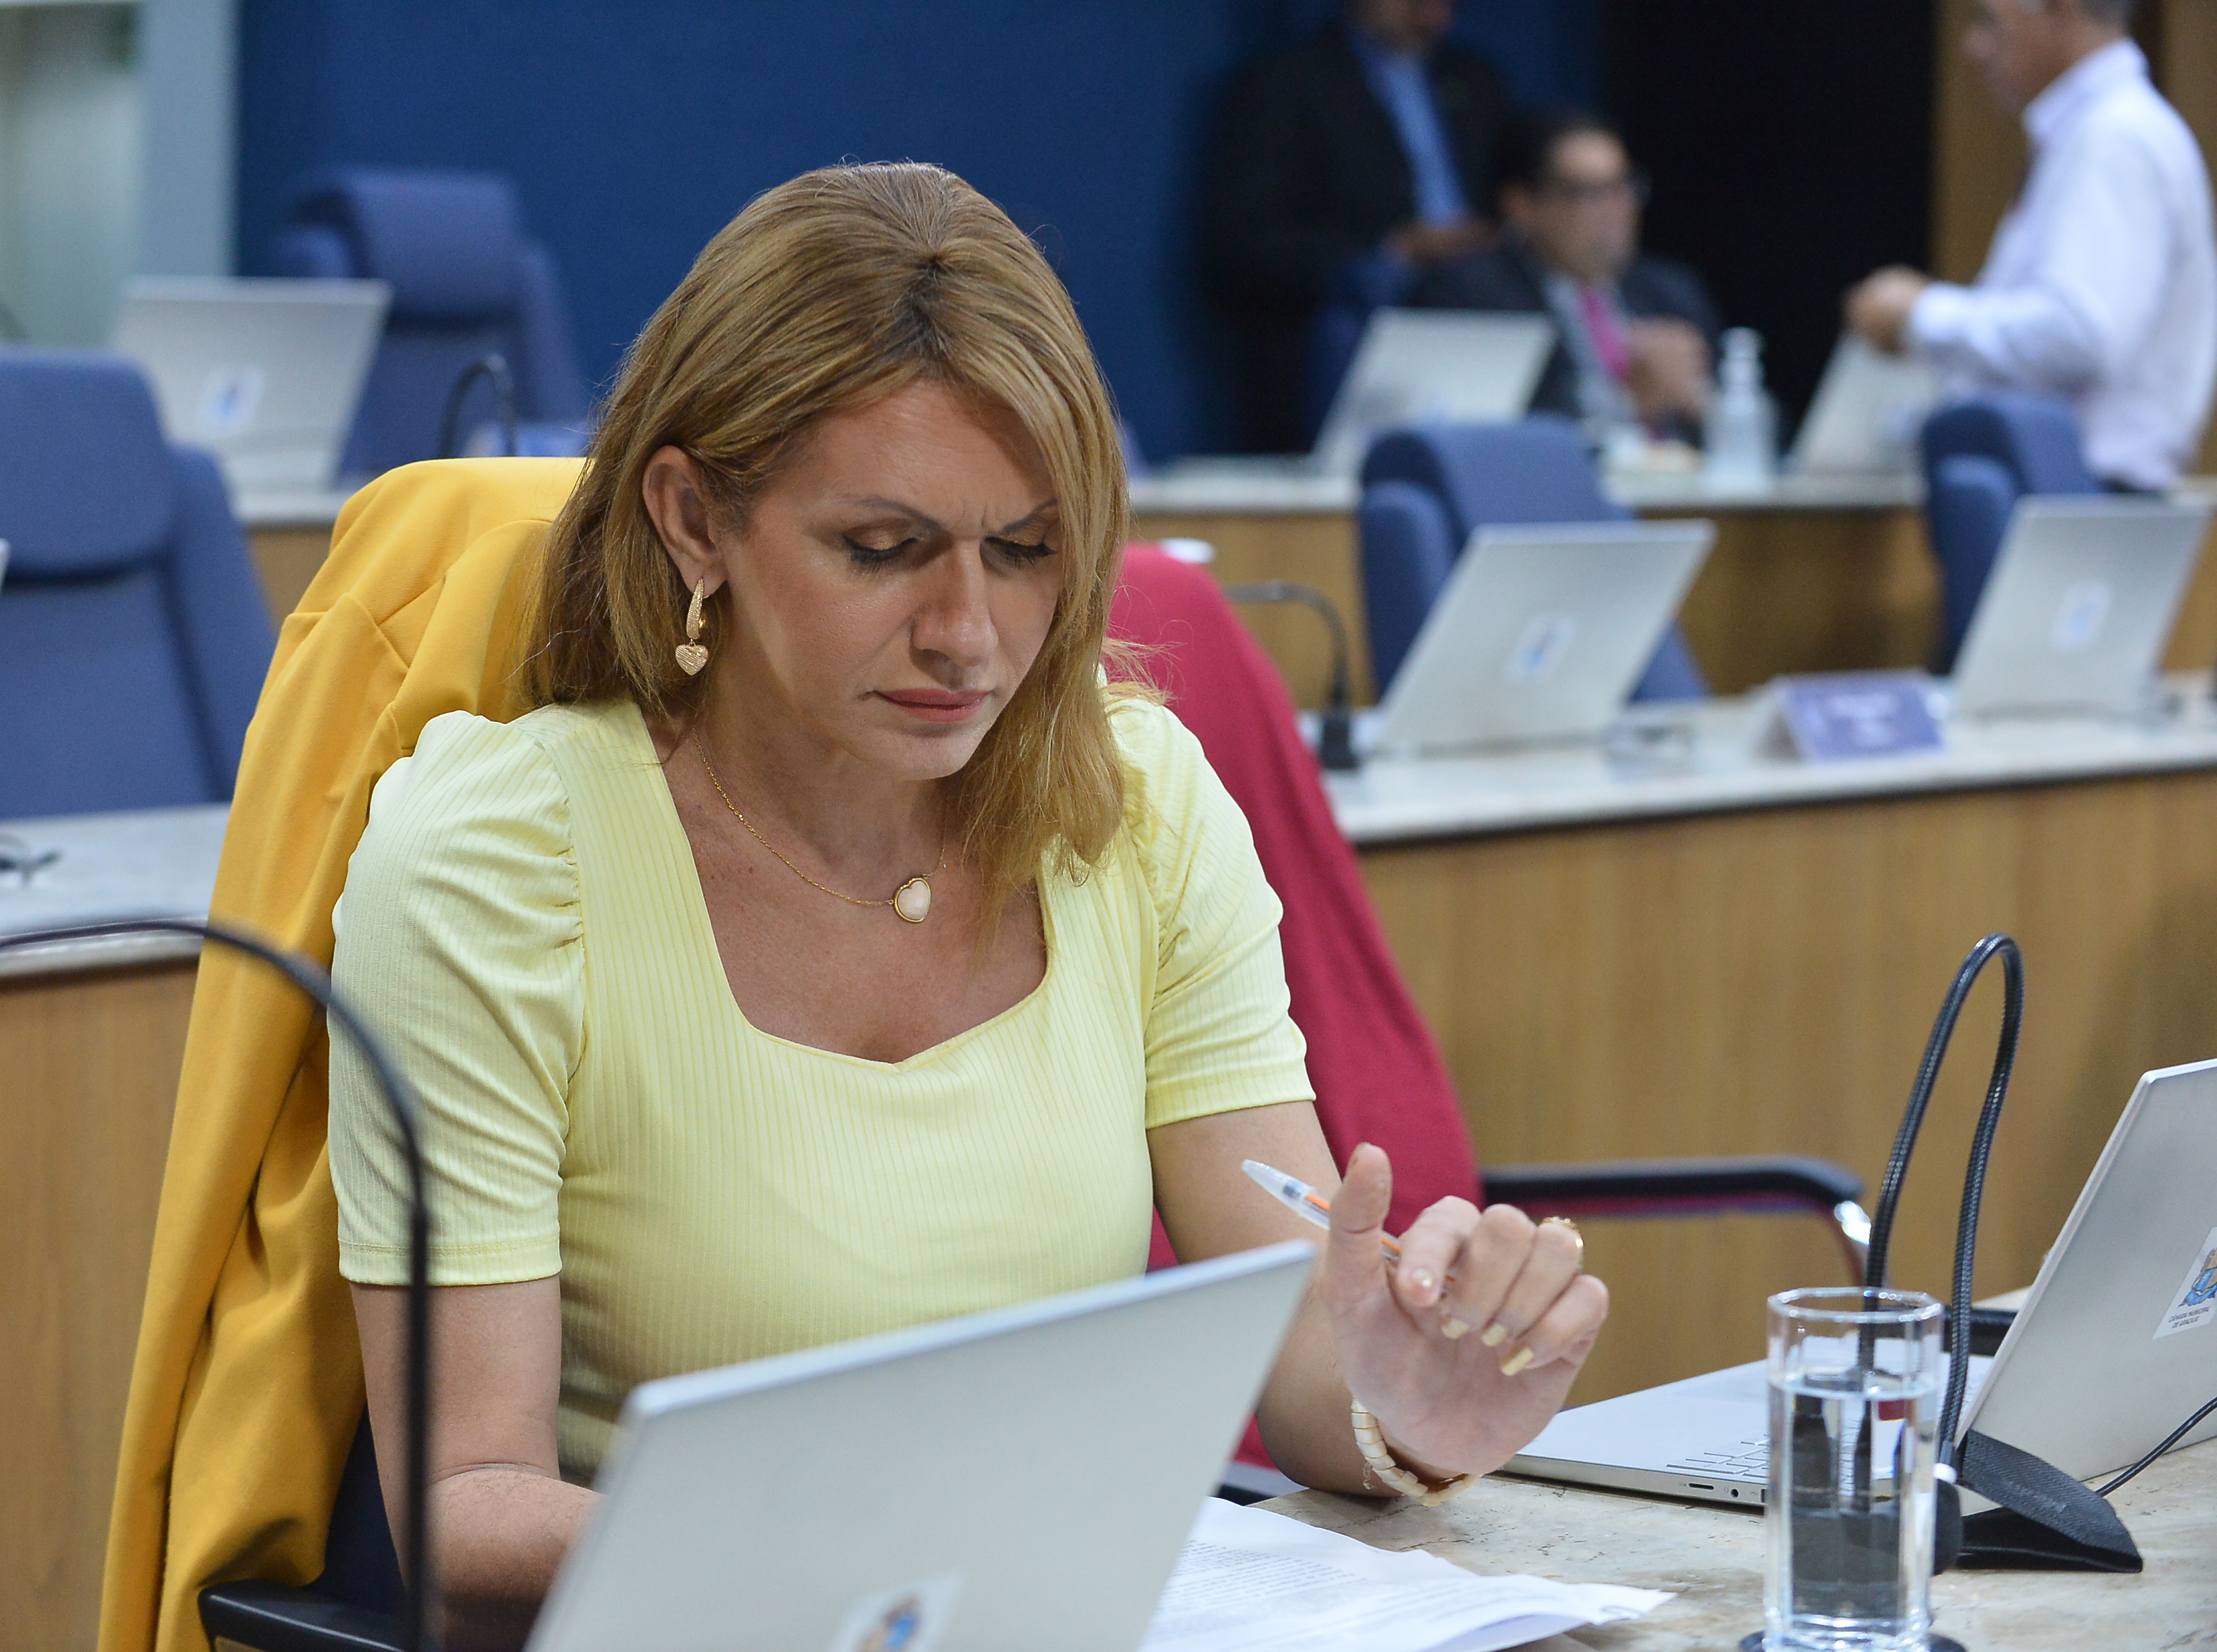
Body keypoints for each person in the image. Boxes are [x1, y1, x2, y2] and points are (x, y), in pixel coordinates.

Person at [328, 163, 1608, 1649]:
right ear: (691, 520)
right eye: (881, 550)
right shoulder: (501, 859)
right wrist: (868, 1551)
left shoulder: (1139, 800)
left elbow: (1306, 1369)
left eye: (1027, 551)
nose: (969, 635)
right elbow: (465, 1506)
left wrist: (1408, 1401)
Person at [1844, 0, 2216, 490]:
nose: (1973, 47)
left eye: (1989, 21)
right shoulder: (2091, 132)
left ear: (2059, 13)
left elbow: (2077, 333)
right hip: (2070, 491)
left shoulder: (2115, 137)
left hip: (2085, 497)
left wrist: (1922, 315)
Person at [1201, 0, 1513, 452]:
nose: (1433, 15)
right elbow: (1245, 244)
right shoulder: (1289, 82)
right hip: (1349, 341)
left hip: (1480, 324)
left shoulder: (1474, 79)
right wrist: (1393, 252)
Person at [1411, 110, 1719, 443]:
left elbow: (1748, 416)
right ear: (1522, 205)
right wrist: (1624, 401)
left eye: (1623, 187)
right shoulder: (1474, 296)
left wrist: (1709, 405)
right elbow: (1499, 428)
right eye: (1588, 193)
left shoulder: (1671, 289)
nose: (1616, 209)